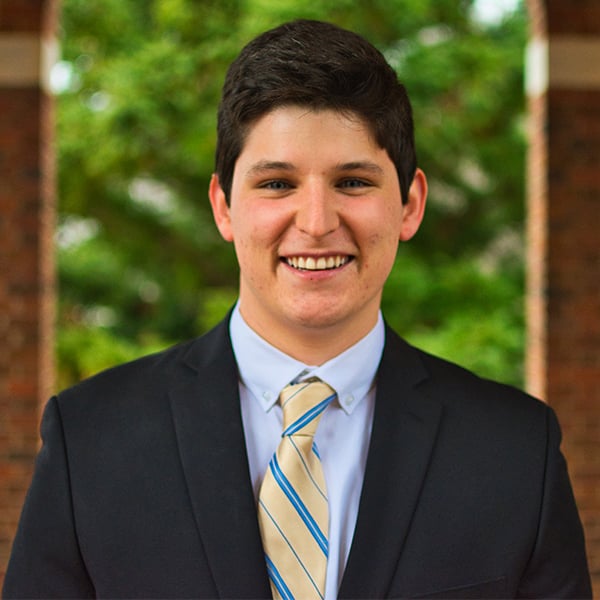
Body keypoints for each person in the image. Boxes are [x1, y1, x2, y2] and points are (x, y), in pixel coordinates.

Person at [3, 19, 591, 600]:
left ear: (409, 205)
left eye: (353, 182)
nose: (316, 222)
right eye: (278, 184)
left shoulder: (516, 453)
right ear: (224, 207)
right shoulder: (89, 441)